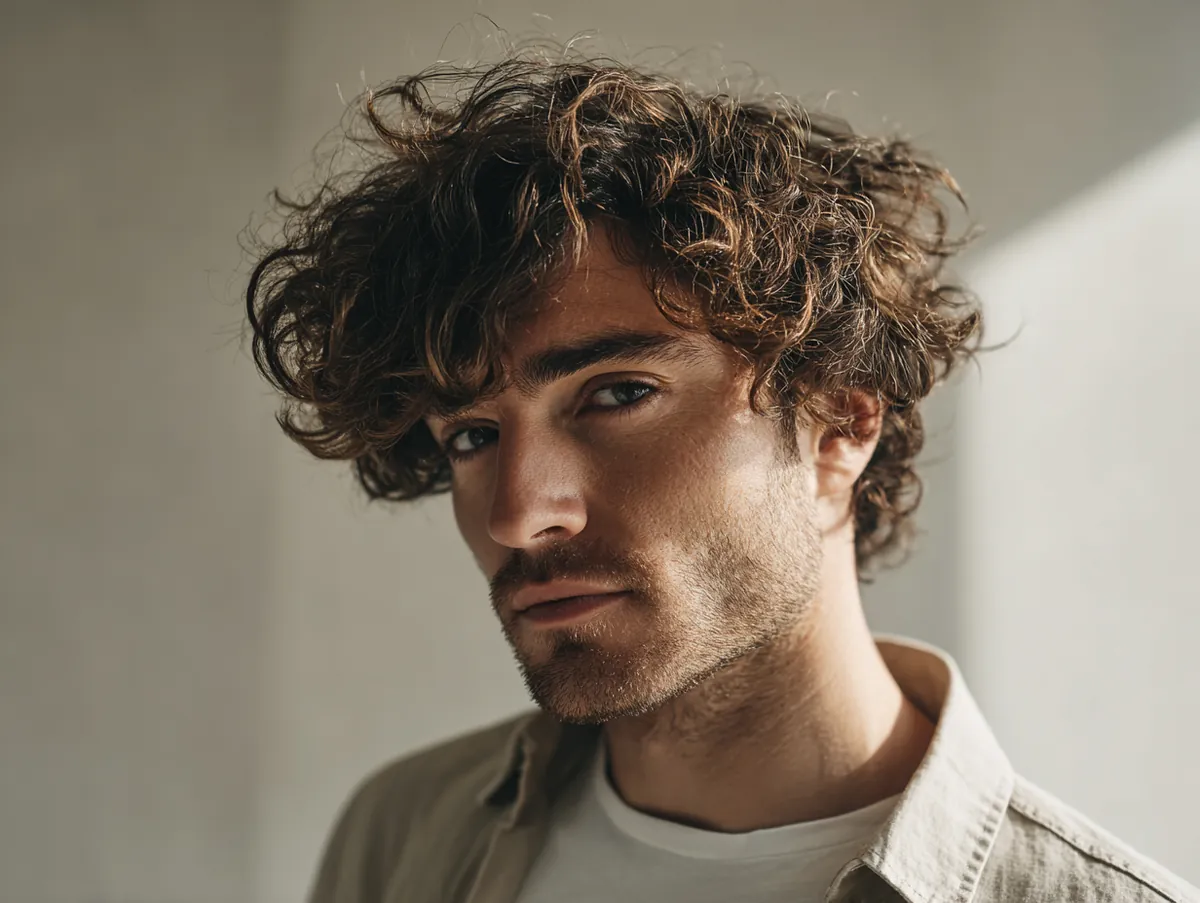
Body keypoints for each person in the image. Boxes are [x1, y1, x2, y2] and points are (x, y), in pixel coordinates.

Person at [244, 53, 1197, 903]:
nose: (520, 511)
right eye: (471, 435)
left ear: (839, 422)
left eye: (617, 393)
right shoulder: (403, 833)